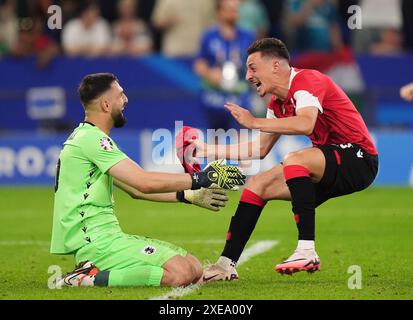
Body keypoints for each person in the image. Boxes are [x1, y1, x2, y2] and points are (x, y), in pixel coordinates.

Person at [191, 38, 379, 281]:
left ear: (276, 66)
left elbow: (305, 123)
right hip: (329, 163)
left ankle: (306, 250)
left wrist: (254, 122)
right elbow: (260, 148)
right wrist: (208, 149)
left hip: (359, 158)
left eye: (253, 68)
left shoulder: (307, 81)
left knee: (294, 159)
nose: (248, 76)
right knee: (257, 185)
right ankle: (226, 264)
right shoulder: (277, 103)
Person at [52, 73, 245, 288]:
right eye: (121, 95)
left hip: (107, 237)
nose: (125, 100)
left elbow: (137, 190)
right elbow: (144, 181)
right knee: (180, 274)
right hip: (95, 241)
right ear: (106, 105)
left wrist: (188, 196)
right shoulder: (92, 140)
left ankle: (93, 270)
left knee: (194, 267)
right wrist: (201, 178)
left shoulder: (88, 137)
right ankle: (86, 278)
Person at [193, 0, 255, 131]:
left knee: (242, 134)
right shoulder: (209, 36)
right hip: (214, 96)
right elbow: (199, 64)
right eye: (229, 8)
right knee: (215, 134)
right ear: (218, 12)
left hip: (239, 94)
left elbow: (256, 64)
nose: (234, 11)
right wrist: (210, 74)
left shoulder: (247, 36)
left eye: (236, 8)